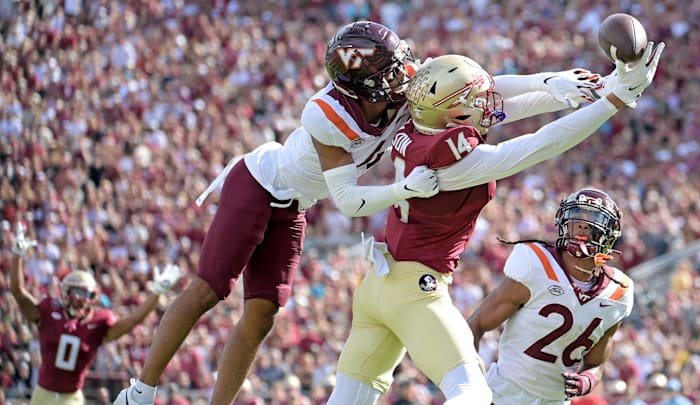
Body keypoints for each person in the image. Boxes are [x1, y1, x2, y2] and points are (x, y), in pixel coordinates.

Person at [114, 20, 608, 405]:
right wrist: (403, 189)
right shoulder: (327, 114)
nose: (405, 75)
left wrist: (550, 83)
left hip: (296, 205)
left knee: (262, 315)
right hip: (260, 184)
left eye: (400, 64)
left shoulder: (403, 85)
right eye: (389, 72)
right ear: (360, 84)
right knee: (210, 289)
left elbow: (474, 92)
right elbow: (350, 202)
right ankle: (142, 390)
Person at [326, 44, 664, 405]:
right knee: (471, 395)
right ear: (454, 117)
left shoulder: (418, 122)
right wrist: (612, 99)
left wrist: (581, 87)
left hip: (379, 282)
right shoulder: (452, 162)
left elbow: (501, 102)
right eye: (476, 100)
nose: (488, 103)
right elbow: (542, 143)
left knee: (349, 398)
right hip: (415, 290)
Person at [467, 188, 636, 404]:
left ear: (609, 234)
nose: (584, 225)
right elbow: (475, 325)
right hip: (505, 393)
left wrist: (587, 380)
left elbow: (596, 363)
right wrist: (470, 383)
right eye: (578, 216)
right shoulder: (536, 264)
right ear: (564, 220)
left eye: (594, 219)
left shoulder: (618, 291)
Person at [8, 222, 182, 405]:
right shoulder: (49, 310)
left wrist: (156, 293)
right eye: (78, 293)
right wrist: (17, 256)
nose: (82, 299)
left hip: (71, 397)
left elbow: (133, 320)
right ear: (65, 292)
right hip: (42, 393)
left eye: (86, 294)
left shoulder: (99, 322)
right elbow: (18, 293)